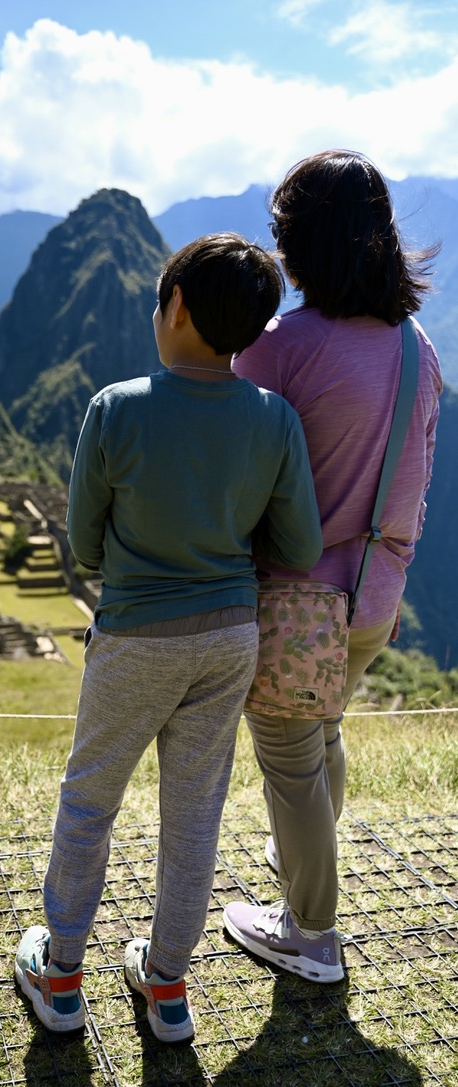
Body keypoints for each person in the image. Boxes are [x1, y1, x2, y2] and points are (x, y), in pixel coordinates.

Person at [14, 233, 323, 1043]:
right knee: (195, 813)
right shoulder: (275, 419)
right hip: (229, 636)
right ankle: (167, 988)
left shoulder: (116, 408)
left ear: (174, 304)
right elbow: (296, 547)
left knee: (89, 802)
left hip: (135, 635)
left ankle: (62, 975)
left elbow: (83, 545)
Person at [224, 150, 442, 983]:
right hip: (375, 596)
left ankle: (310, 934)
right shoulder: (417, 347)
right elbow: (416, 470)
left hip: (293, 601)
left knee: (288, 760)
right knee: (321, 737)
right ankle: (301, 904)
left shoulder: (279, 346)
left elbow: (233, 473)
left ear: (299, 243)